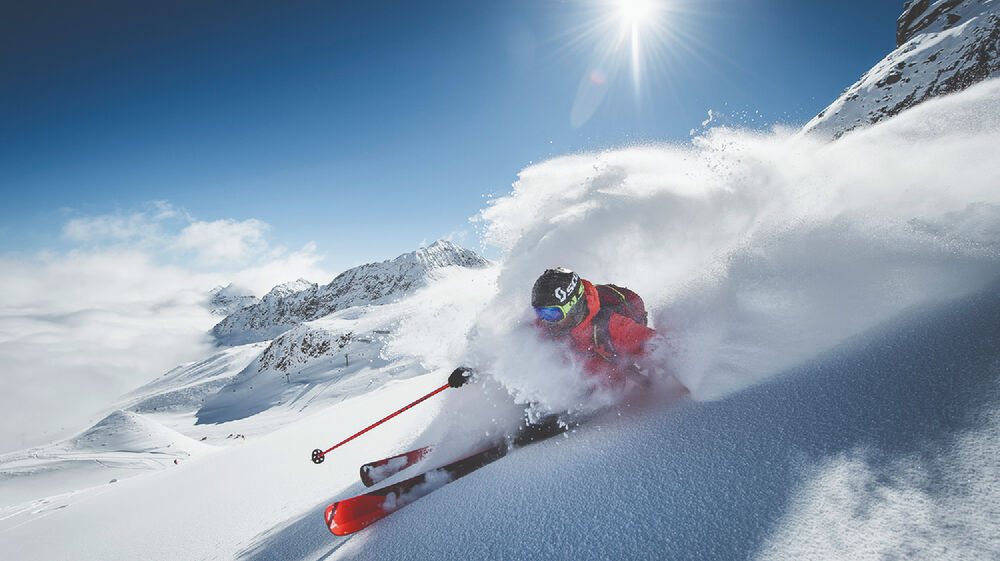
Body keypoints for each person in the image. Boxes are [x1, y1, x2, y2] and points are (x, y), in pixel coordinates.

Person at [530, 267, 655, 389]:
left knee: (604, 388)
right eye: (541, 313)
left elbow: (657, 344)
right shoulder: (551, 324)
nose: (546, 320)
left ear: (573, 307)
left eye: (552, 314)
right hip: (578, 366)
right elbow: (521, 343)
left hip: (607, 373)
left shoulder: (610, 326)